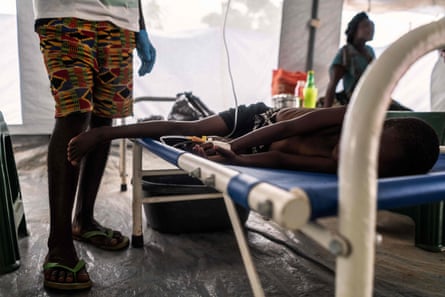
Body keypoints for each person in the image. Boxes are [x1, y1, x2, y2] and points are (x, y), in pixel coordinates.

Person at [33, 0, 156, 291]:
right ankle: (59, 243)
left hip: (121, 23)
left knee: (104, 119)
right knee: (74, 113)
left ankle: (84, 220)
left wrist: (140, 27)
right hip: (65, 14)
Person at [67, 103, 439, 179]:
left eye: (372, 164)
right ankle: (105, 132)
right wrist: (234, 147)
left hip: (261, 148)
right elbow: (285, 130)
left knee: (200, 143)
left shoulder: (339, 166)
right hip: (259, 121)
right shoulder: (349, 115)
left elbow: (282, 161)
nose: (359, 157)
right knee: (196, 126)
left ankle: (195, 140)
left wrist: (236, 162)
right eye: (369, 146)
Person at [322, 12, 410, 110]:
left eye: (372, 26)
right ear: (355, 30)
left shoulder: (370, 51)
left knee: (406, 112)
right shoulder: (345, 53)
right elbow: (333, 84)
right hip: (356, 100)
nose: (371, 30)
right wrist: (325, 112)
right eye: (366, 26)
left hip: (373, 97)